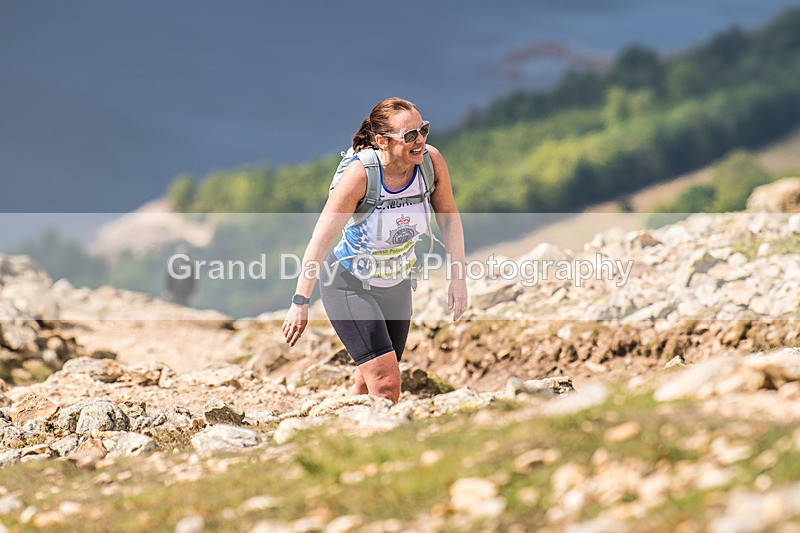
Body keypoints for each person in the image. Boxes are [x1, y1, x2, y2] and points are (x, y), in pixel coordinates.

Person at [282, 97, 468, 403]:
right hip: (349, 286)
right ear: (382, 141)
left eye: (423, 130)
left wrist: (458, 278)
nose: (419, 140)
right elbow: (319, 240)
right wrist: (300, 302)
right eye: (409, 136)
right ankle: (385, 446)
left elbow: (449, 218)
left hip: (397, 288)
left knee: (367, 386)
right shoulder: (360, 176)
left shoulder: (431, 164)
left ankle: (346, 440)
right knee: (386, 382)